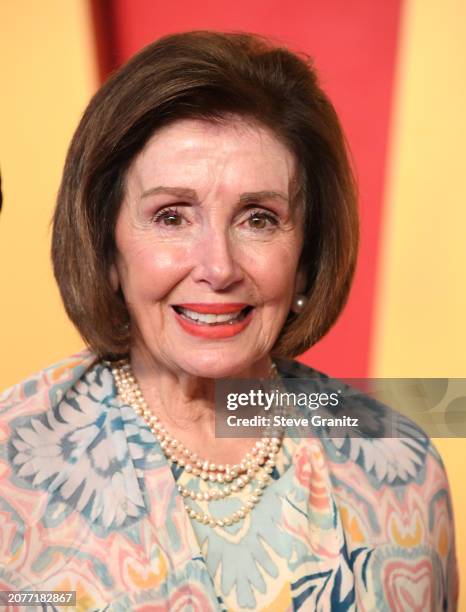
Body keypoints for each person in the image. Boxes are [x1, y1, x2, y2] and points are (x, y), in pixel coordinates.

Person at [0, 31, 457, 611]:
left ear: (306, 255)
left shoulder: (403, 466)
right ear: (107, 245)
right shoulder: (11, 468)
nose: (218, 268)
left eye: (259, 219)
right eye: (171, 216)